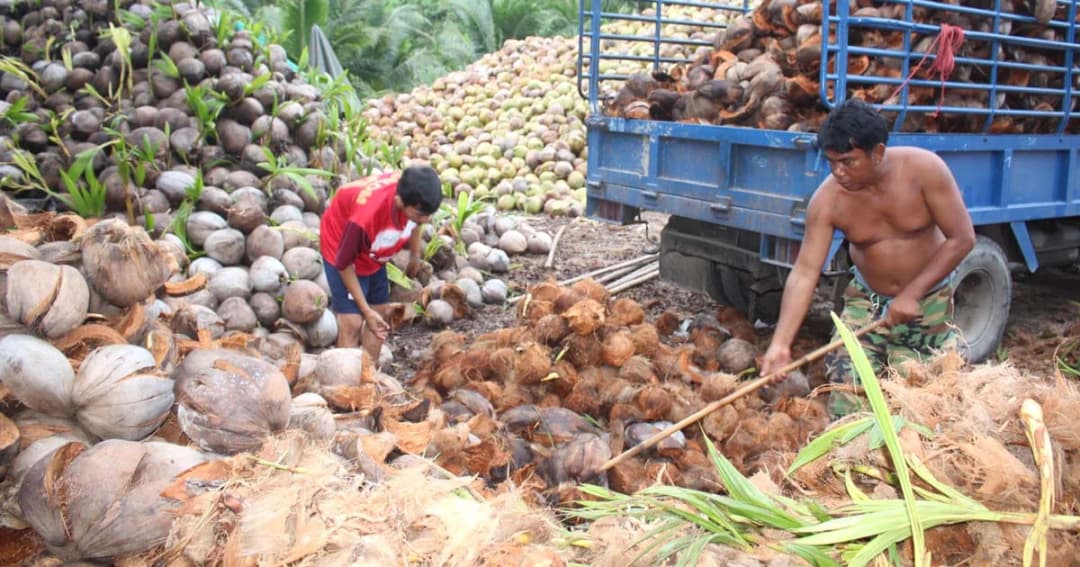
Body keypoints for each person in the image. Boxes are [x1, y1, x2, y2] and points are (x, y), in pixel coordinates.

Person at [759, 98, 976, 418]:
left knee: (922, 401)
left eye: (848, 161)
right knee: (848, 395)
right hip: (867, 305)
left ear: (877, 153)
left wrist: (912, 293)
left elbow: (962, 238)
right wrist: (780, 343)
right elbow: (805, 272)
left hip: (928, 303)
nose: (838, 172)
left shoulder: (924, 171)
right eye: (831, 162)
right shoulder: (828, 200)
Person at [320, 165, 442, 361]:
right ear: (399, 201)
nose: (425, 220)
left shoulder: (415, 196)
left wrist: (414, 255)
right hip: (340, 245)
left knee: (380, 314)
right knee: (352, 321)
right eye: (421, 215)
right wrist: (365, 311)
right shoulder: (365, 219)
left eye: (429, 214)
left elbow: (417, 222)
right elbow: (343, 264)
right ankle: (343, 380)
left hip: (375, 251)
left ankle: (369, 373)